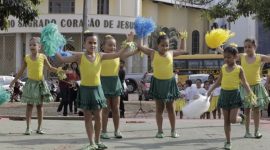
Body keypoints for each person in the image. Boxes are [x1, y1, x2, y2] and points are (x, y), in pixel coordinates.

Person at [56, 31, 132, 150]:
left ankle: (98, 141)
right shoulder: (80, 56)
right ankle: (91, 143)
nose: (92, 45)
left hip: (98, 89)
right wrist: (52, 47)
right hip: (86, 90)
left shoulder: (100, 55)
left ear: (97, 45)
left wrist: (128, 42)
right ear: (84, 44)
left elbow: (118, 54)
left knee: (98, 117)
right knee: (87, 117)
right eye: (90, 43)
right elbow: (62, 59)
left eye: (95, 43)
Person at [136, 32, 186, 138]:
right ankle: (160, 131)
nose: (165, 47)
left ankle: (173, 131)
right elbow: (140, 46)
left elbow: (182, 50)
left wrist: (183, 38)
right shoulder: (152, 53)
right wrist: (141, 32)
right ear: (157, 45)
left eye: (167, 45)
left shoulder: (171, 53)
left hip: (169, 83)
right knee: (159, 108)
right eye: (162, 45)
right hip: (158, 83)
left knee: (171, 109)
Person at [9, 37, 60, 135]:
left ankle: (39, 128)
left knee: (40, 106)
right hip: (30, 84)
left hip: (40, 84)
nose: (32, 46)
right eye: (30, 45)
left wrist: (60, 71)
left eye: (34, 45)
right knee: (29, 106)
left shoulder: (43, 57)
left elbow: (50, 68)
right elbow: (20, 72)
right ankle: (28, 128)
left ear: (39, 47)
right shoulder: (27, 58)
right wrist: (13, 82)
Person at [207, 46, 254, 150]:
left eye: (229, 57)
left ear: (236, 57)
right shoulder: (223, 68)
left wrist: (250, 93)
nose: (226, 59)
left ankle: (241, 118)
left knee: (232, 120)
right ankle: (228, 141)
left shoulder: (239, 69)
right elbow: (218, 81)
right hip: (224, 95)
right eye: (225, 57)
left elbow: (245, 82)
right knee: (226, 121)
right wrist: (210, 90)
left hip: (234, 95)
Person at [101, 33, 138, 139]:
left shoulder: (118, 55)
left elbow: (132, 52)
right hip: (104, 83)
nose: (112, 47)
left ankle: (117, 130)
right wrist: (128, 42)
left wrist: (138, 47)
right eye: (110, 45)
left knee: (116, 108)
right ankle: (104, 131)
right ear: (103, 46)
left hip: (115, 83)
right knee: (106, 109)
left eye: (114, 45)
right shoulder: (101, 55)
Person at [239, 39, 270, 138]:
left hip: (257, 87)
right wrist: (219, 48)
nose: (247, 49)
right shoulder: (242, 56)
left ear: (254, 47)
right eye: (245, 47)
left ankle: (257, 131)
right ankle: (247, 132)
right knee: (247, 110)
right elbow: (228, 55)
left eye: (249, 46)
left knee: (256, 110)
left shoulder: (259, 57)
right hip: (245, 87)